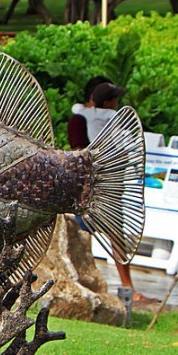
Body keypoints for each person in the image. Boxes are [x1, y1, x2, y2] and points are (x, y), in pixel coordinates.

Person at [68, 78, 156, 304]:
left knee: (116, 234)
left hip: (111, 185)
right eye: (113, 99)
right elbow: (79, 151)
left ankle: (127, 288)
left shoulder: (111, 121)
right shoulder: (81, 119)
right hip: (90, 187)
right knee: (82, 234)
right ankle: (82, 284)